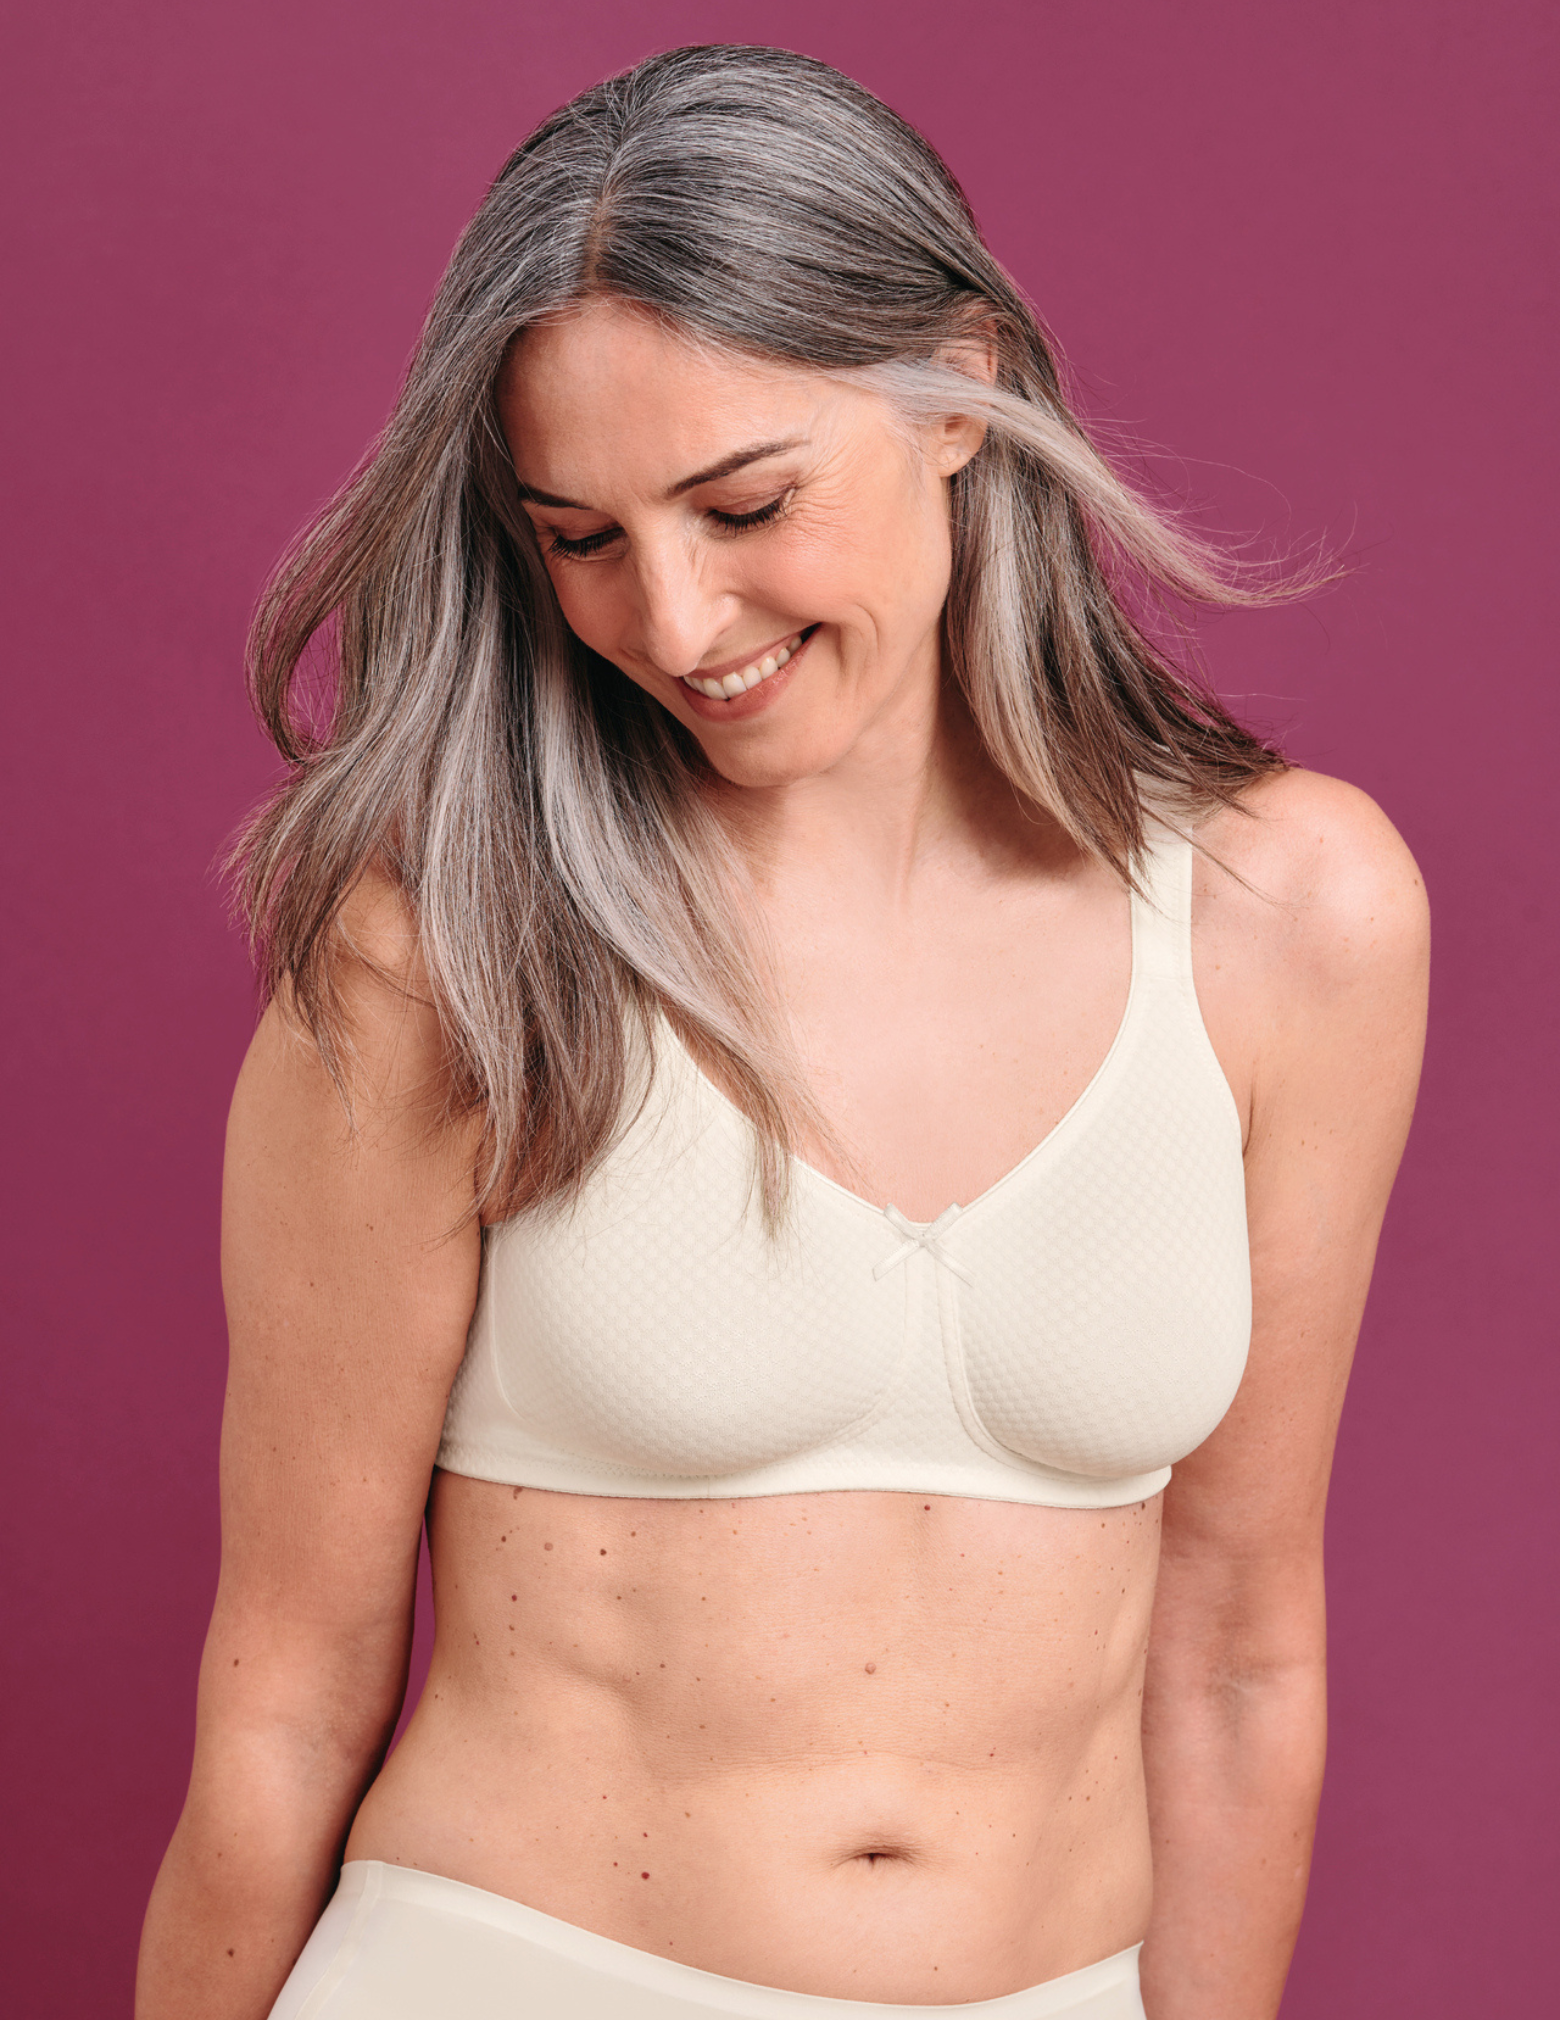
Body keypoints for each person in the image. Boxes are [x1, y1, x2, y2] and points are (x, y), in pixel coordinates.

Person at [135, 43, 1428, 2020]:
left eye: (743, 502)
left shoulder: (1293, 917)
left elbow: (1242, 1648)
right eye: (580, 536)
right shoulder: (450, 949)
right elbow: (287, 1694)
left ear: (964, 395)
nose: (673, 618)